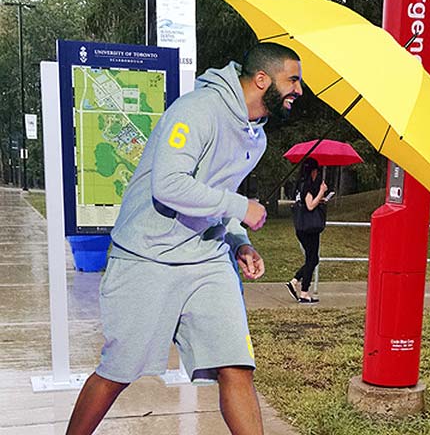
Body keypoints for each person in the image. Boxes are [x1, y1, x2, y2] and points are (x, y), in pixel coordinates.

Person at [66, 42, 303, 435]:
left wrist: (238, 240)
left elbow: (216, 196)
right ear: (263, 79)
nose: (298, 90)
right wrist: (240, 206)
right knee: (119, 370)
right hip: (147, 255)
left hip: (206, 258)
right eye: (292, 80)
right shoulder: (198, 111)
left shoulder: (255, 138)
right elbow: (169, 186)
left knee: (237, 365)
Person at [286, 157, 328, 304]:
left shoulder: (299, 185)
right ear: (313, 171)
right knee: (312, 259)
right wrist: (322, 192)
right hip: (310, 227)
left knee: (312, 258)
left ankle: (295, 281)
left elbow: (305, 203)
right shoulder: (308, 186)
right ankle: (303, 291)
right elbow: (310, 205)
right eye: (317, 171)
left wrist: (319, 198)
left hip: (301, 226)